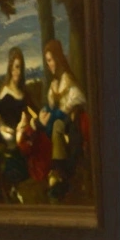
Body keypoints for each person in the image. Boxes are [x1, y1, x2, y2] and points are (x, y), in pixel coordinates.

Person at [36, 38, 86, 201]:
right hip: (55, 124)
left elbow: (75, 103)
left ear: (57, 58)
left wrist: (55, 115)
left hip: (69, 125)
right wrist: (44, 114)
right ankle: (51, 174)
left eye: (50, 60)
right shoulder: (54, 84)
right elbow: (51, 107)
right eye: (47, 61)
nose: (49, 64)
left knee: (57, 124)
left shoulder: (68, 81)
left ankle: (59, 172)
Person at [0, 46, 34, 201]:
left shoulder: (23, 93)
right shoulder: (4, 92)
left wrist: (29, 122)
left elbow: (32, 113)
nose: (18, 72)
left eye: (20, 68)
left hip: (22, 135)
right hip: (8, 138)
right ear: (10, 68)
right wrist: (3, 129)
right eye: (15, 67)